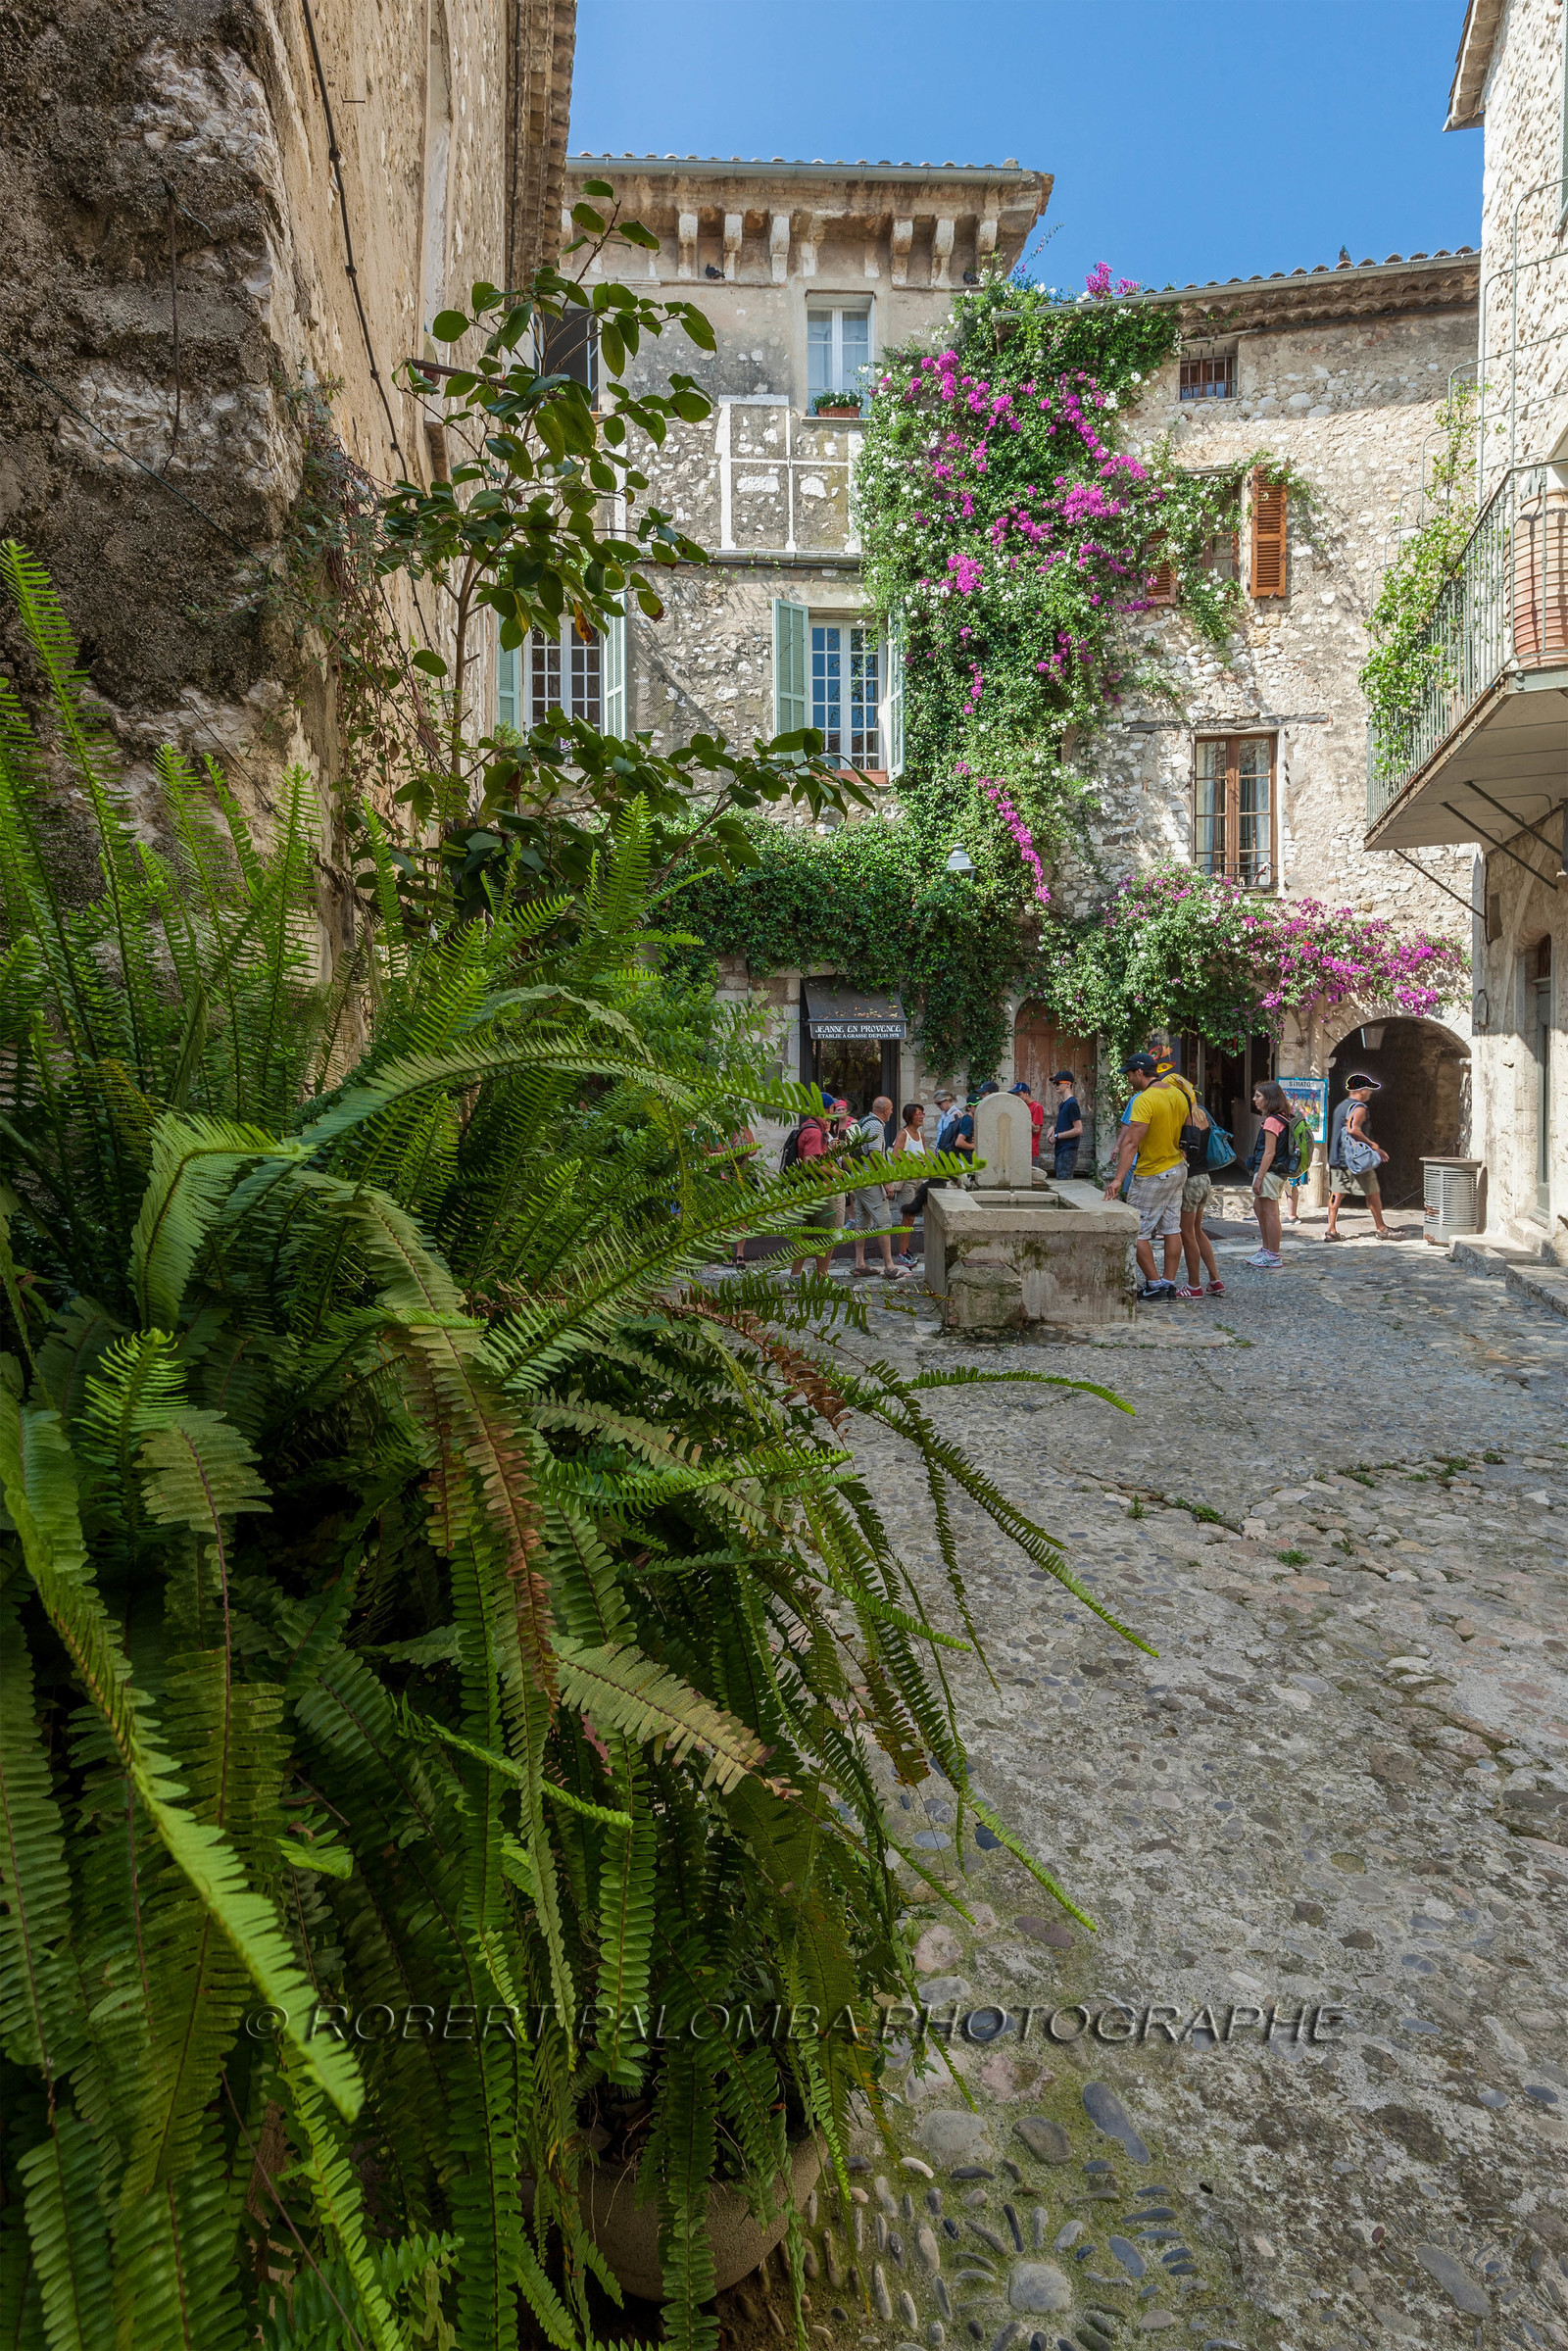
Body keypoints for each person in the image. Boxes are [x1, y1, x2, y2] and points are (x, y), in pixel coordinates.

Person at [1102, 1052, 1188, 1300]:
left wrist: (1118, 1179)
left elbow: (1131, 1142)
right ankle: (1169, 1284)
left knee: (1135, 1231)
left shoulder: (1144, 1099)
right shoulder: (1177, 1094)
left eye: (1129, 1074)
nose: (1128, 1079)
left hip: (1153, 1171)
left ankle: (1154, 1285)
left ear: (1139, 1072)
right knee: (1172, 1228)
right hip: (1177, 1167)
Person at [1164, 1072, 1223, 1300]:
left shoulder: (1181, 1116)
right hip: (1205, 1179)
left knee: (1186, 1233)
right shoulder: (1201, 1114)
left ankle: (1194, 1285)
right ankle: (1215, 1281)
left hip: (1190, 1180)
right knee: (1198, 1231)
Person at [849, 1094, 911, 1279]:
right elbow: (875, 1156)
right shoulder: (875, 1125)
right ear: (885, 1110)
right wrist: (886, 1183)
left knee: (861, 1222)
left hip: (859, 1179)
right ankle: (890, 1267)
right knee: (884, 1222)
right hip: (870, 1180)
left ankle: (860, 1264)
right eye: (891, 1109)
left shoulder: (863, 1122)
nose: (892, 1112)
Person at [1325, 1074, 1394, 1242]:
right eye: (1369, 1089)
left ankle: (1331, 1230)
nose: (1370, 1093)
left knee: (1336, 1194)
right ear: (1361, 1091)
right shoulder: (1360, 1107)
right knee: (1373, 1192)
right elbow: (1352, 1129)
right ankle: (1381, 1228)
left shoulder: (1340, 1107)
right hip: (1356, 1160)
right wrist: (1373, 1145)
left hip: (1338, 1158)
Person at [1246, 1079, 1297, 1269]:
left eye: (1258, 1096)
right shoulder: (1283, 1117)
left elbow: (1269, 1152)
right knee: (1260, 1208)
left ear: (1269, 1098)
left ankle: (1273, 1254)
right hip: (1272, 1172)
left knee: (1270, 1212)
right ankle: (1267, 1250)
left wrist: (1259, 1178)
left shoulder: (1272, 1121)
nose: (1254, 1099)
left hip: (1269, 1172)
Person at [795, 1101, 847, 1280]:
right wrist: (837, 1173)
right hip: (820, 1189)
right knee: (828, 1234)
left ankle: (794, 1277)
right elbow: (810, 1162)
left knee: (807, 1234)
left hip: (809, 1188)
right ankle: (822, 1278)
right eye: (832, 1109)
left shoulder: (807, 1126)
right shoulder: (814, 1131)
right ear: (826, 1109)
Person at [891, 1102, 929, 1268]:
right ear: (909, 1116)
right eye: (917, 1113)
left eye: (922, 1113)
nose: (921, 1116)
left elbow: (925, 1155)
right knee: (908, 1216)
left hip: (918, 1179)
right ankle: (901, 1253)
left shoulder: (921, 1136)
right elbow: (895, 1154)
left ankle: (906, 1250)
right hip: (906, 1180)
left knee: (911, 1218)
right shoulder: (903, 1134)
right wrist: (916, 1159)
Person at [1050, 1069, 1083, 1180]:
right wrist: (1053, 1128)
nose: (1055, 1085)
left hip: (1067, 1151)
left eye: (1058, 1083)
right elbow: (1066, 1124)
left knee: (1065, 1183)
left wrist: (1057, 1136)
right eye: (1054, 1083)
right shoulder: (1065, 1104)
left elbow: (1078, 1129)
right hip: (1061, 1150)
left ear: (1068, 1084)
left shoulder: (1072, 1104)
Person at [1009, 1079, 1047, 1165]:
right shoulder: (1017, 1107)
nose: (1017, 1098)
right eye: (1015, 1095)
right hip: (1018, 1149)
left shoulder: (1036, 1107)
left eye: (1019, 1094)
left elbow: (1036, 1129)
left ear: (1027, 1093)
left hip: (1030, 1150)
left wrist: (1024, 1115)